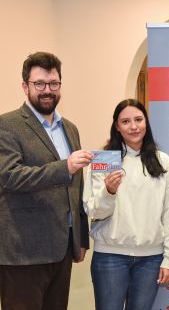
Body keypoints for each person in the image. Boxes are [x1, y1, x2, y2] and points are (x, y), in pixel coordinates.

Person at [0, 52, 92, 310]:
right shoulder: (7, 125)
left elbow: (77, 186)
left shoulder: (70, 128)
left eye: (53, 84)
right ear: (25, 86)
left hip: (62, 249)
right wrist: (65, 166)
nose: (47, 90)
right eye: (39, 84)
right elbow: (10, 177)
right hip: (23, 252)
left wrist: (80, 237)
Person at [83, 99, 169, 310]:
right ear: (117, 127)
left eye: (138, 119)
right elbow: (93, 211)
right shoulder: (105, 160)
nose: (134, 126)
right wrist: (108, 191)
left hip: (151, 259)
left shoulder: (163, 162)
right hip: (109, 256)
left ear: (146, 122)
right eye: (126, 121)